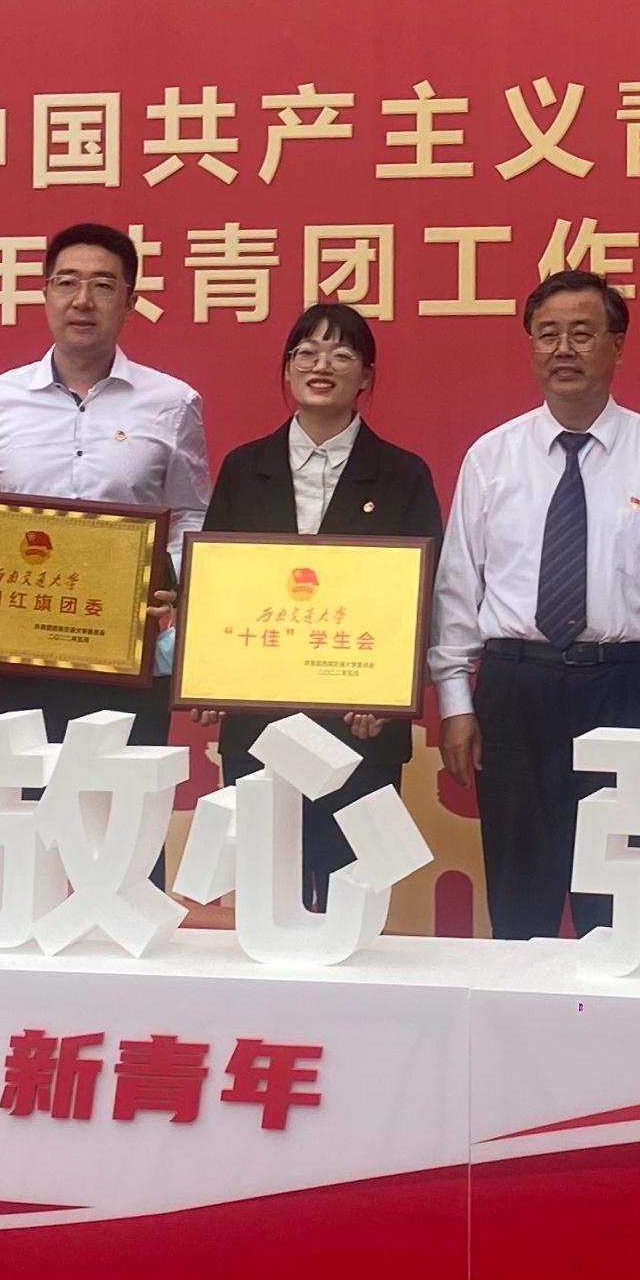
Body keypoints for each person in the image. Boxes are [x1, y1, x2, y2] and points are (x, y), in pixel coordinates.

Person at [429, 270, 640, 940]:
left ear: (617, 346)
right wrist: (456, 703)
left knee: (618, 906)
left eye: (582, 334)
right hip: (515, 689)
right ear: (529, 346)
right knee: (519, 901)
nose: (563, 349)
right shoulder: (492, 457)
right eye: (547, 334)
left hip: (626, 690)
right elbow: (458, 587)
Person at [0, 222, 208, 749]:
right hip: (20, 648)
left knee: (126, 796)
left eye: (103, 285)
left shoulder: (172, 402)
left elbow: (191, 513)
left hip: (126, 647)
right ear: (45, 294)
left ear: (130, 302)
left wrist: (165, 582)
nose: (82, 300)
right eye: (67, 282)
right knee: (26, 794)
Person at [205, 301, 445, 896]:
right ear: (287, 369)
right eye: (306, 353)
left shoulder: (404, 475)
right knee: (268, 891)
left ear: (366, 375)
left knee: (351, 894)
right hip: (260, 720)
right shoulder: (243, 469)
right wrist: (208, 677)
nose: (321, 365)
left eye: (341, 354)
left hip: (360, 724)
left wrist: (389, 694)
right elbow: (219, 590)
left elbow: (421, 598)